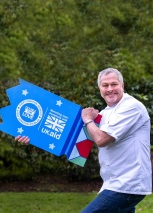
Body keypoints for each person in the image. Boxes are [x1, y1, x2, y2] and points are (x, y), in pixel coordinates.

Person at [16, 68, 152, 212]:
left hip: (127, 184)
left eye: (114, 84)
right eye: (105, 85)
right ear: (100, 89)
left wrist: (87, 120)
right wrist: (33, 136)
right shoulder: (105, 114)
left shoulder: (131, 107)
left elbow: (101, 139)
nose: (110, 89)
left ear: (122, 86)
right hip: (117, 183)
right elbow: (71, 137)